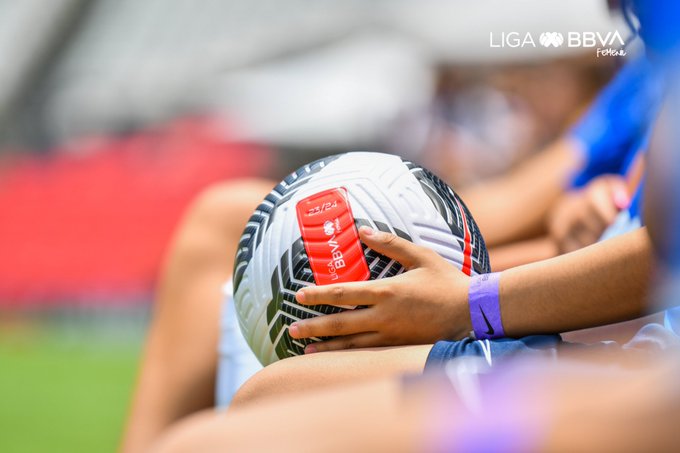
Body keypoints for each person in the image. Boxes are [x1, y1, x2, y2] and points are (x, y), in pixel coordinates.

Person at [121, 8, 667, 453]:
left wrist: (470, 303)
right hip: (621, 330)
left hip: (643, 365)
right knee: (224, 218)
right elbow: (521, 203)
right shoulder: (647, 67)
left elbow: (657, 256)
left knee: (269, 403)